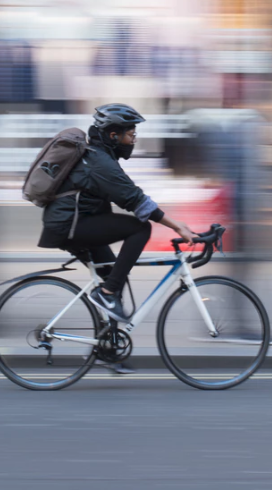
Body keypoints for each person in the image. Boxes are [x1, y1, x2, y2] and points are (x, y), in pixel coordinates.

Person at [37, 103, 195, 337]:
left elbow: (129, 196)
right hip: (67, 227)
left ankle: (108, 349)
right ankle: (107, 295)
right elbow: (136, 201)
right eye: (131, 135)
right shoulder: (100, 163)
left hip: (71, 224)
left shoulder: (99, 158)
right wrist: (178, 226)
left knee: (114, 277)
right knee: (140, 228)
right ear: (114, 135)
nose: (134, 140)